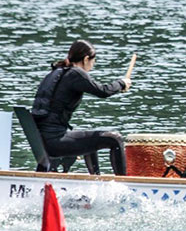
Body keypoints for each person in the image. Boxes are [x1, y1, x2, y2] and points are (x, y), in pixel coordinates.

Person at [31, 40, 132, 175]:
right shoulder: (75, 73)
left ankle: (95, 181)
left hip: (42, 140)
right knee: (115, 138)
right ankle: (124, 186)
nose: (92, 66)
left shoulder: (57, 72)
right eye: (93, 62)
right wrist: (121, 83)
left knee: (92, 137)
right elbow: (103, 91)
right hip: (54, 142)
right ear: (86, 59)